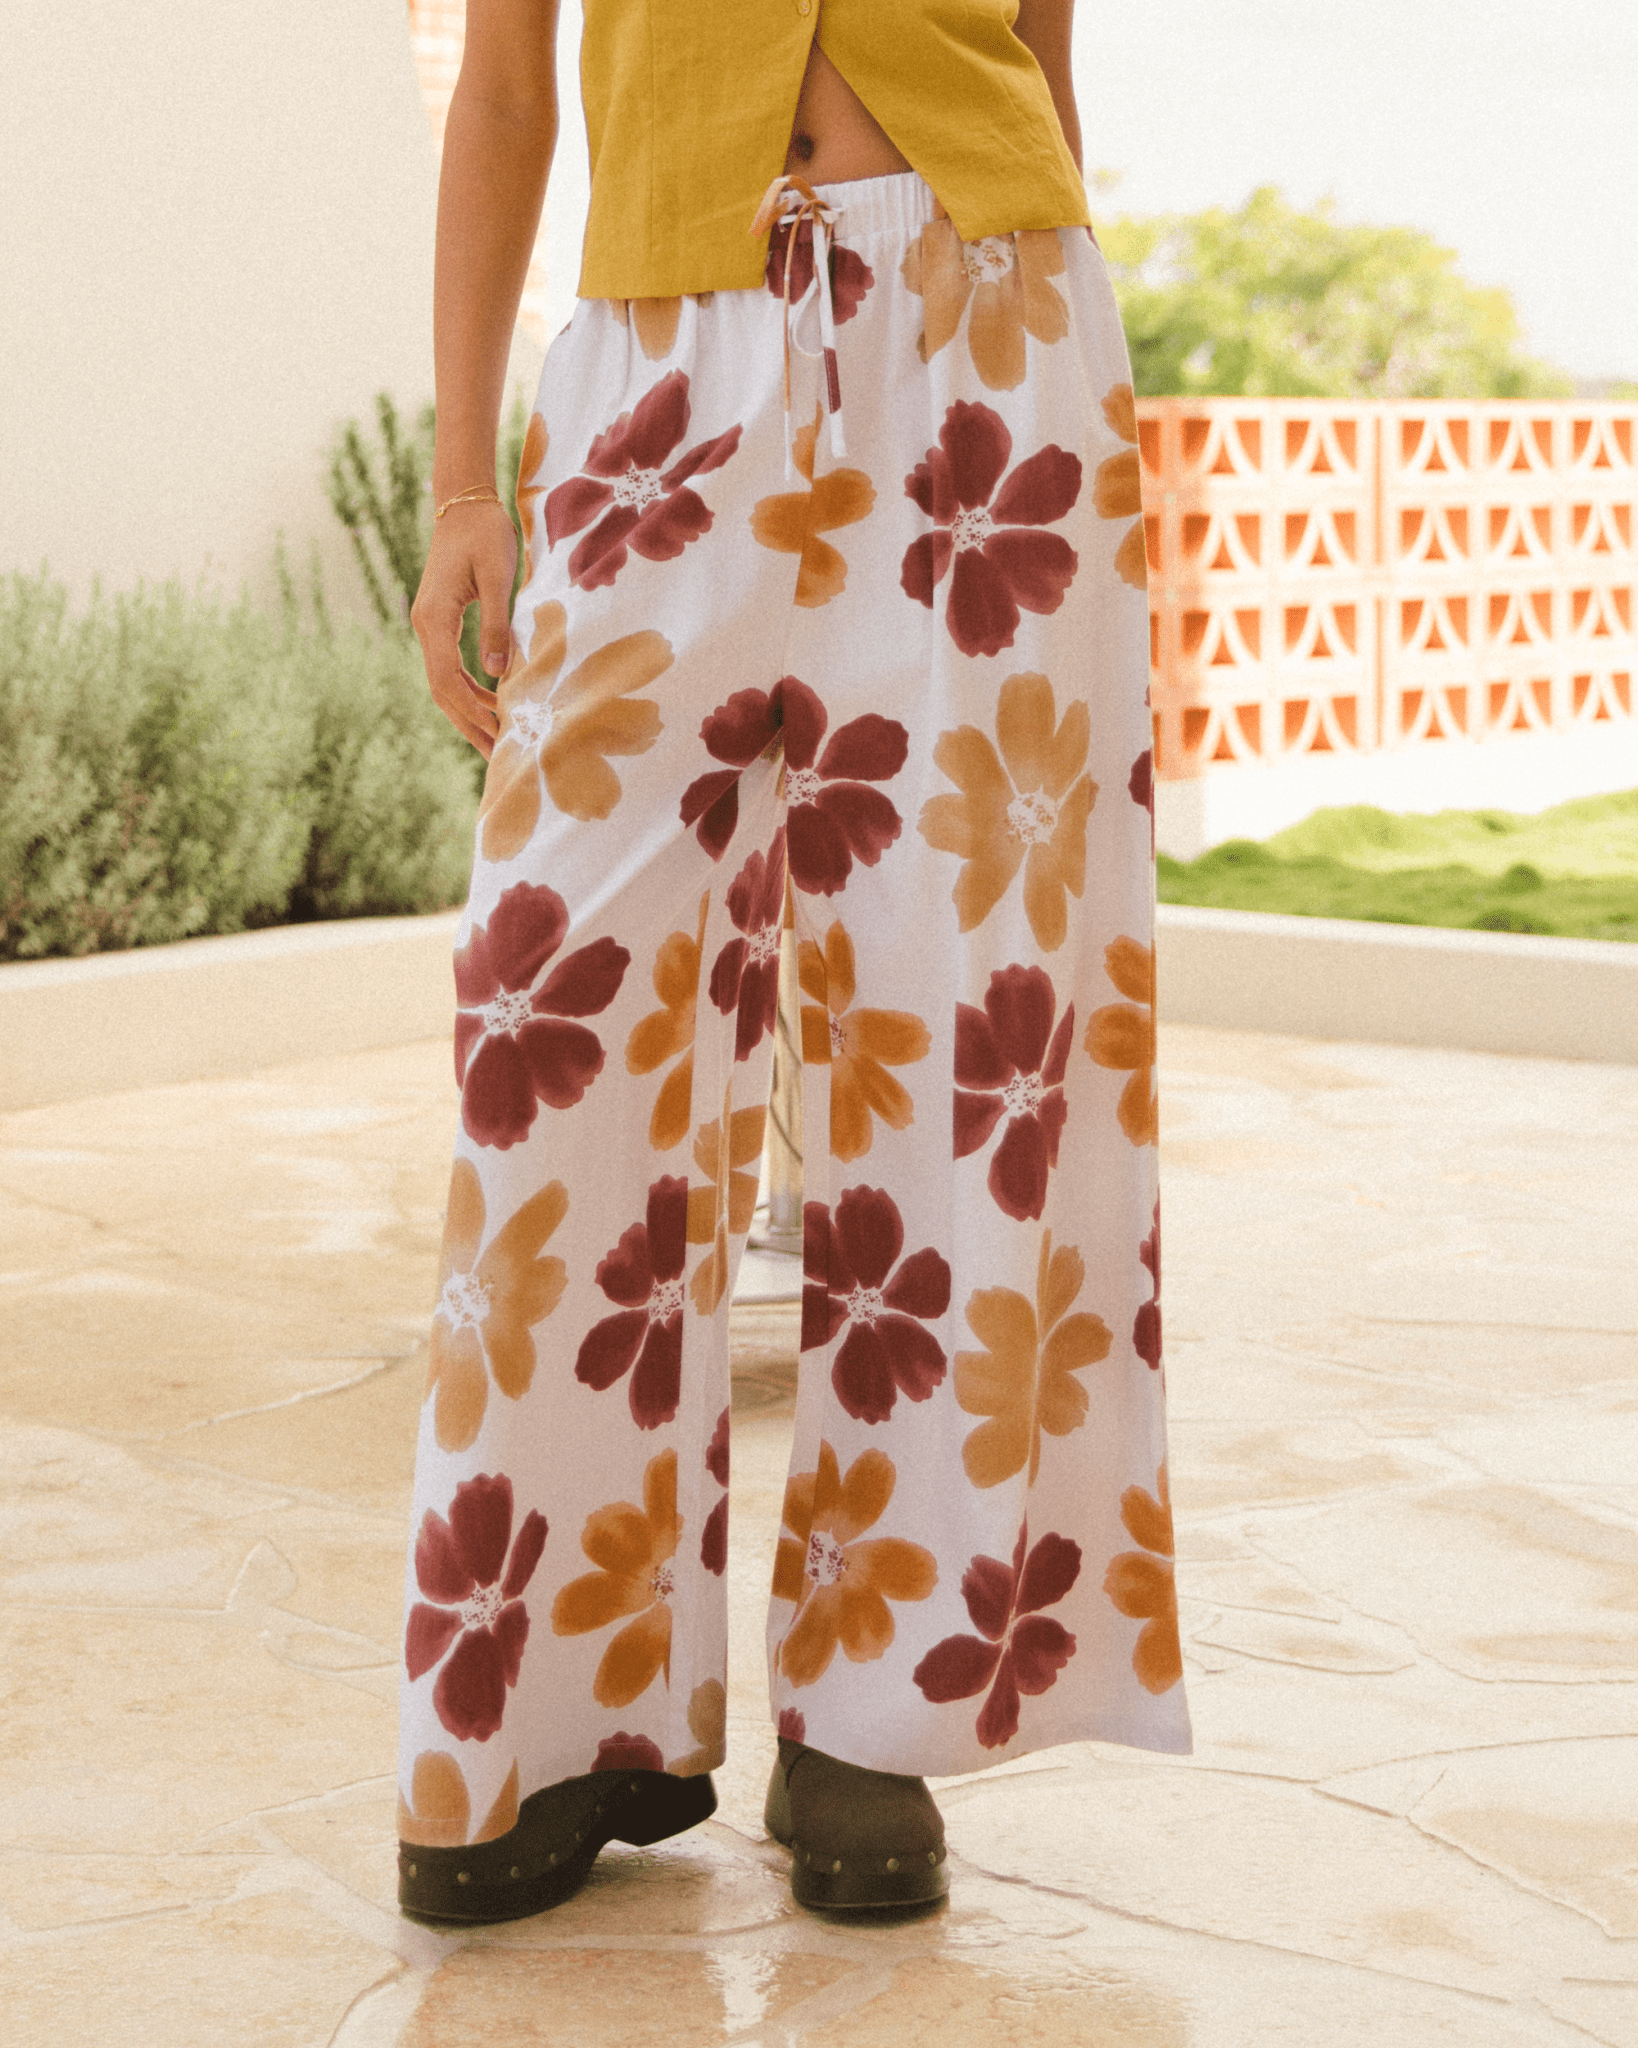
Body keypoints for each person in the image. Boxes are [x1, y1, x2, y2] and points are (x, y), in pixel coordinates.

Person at [398, 0, 1188, 1924]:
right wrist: (463, 488)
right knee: (552, 1017)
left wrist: (1046, 352)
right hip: (659, 357)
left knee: (971, 1015)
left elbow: (1038, 54)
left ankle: (875, 1708)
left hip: (986, 338)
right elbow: (503, 86)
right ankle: (550, 1714)